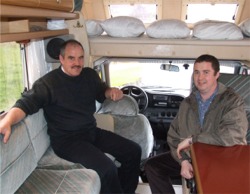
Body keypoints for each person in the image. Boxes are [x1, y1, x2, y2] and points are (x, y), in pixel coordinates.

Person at [0, 39, 142, 194]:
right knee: (107, 169)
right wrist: (8, 120)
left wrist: (111, 91)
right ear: (61, 59)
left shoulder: (89, 75)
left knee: (133, 151)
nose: (77, 63)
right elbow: (25, 104)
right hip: (67, 141)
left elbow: (101, 90)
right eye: (71, 58)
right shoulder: (48, 84)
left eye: (81, 58)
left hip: (91, 131)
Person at [144, 54, 248, 194]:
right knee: (153, 166)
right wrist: (184, 161)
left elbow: (232, 136)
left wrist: (194, 139)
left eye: (206, 72)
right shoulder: (187, 103)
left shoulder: (232, 101)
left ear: (217, 74)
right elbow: (173, 136)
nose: (200, 78)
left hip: (221, 159)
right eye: (197, 72)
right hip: (191, 156)